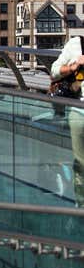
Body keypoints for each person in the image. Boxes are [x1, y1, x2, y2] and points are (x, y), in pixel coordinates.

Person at [50, 36, 84, 206]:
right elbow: (54, 70)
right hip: (79, 112)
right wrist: (74, 66)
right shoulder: (76, 44)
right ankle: (81, 204)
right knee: (81, 164)